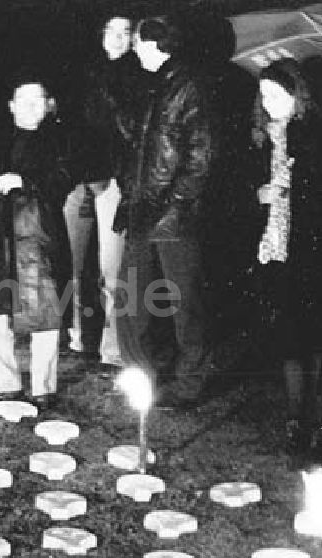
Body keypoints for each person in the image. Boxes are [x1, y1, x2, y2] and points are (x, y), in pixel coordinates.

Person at [0, 73, 95, 407]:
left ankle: (43, 387)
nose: (30, 106)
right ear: (11, 106)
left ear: (48, 106)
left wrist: (24, 180)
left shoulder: (61, 141)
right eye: (23, 100)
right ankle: (6, 382)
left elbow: (63, 178)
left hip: (39, 235)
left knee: (45, 309)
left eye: (38, 100)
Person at [246, 59, 322, 453]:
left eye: (278, 95)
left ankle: (320, 419)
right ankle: (297, 419)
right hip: (273, 250)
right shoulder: (261, 139)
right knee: (289, 338)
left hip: (310, 251)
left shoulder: (316, 137)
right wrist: (260, 195)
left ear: (297, 96)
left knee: (315, 339)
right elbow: (237, 193)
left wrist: (300, 189)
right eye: (264, 96)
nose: (270, 103)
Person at [112, 16, 214, 408]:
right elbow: (140, 146)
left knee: (183, 303)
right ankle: (142, 379)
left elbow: (201, 157)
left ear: (154, 43)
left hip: (172, 216)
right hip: (142, 209)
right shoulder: (152, 85)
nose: (134, 48)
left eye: (138, 41)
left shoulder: (188, 88)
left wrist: (176, 205)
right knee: (131, 302)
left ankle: (189, 385)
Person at [67, 11, 142, 370]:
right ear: (100, 34)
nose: (117, 36)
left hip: (112, 184)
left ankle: (112, 348)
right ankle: (80, 335)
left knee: (111, 270)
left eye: (125, 31)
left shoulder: (136, 77)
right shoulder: (82, 71)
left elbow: (130, 135)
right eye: (111, 29)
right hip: (79, 182)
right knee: (75, 265)